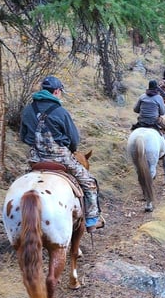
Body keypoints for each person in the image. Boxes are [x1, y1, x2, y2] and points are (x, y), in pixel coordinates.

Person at [20, 76, 104, 231]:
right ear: (57, 91)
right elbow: (74, 139)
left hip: (35, 158)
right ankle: (91, 219)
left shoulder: (28, 110)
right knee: (89, 182)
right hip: (61, 158)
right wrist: (69, 149)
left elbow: (23, 137)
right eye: (60, 92)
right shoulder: (60, 111)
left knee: (20, 184)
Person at [133, 79, 165, 153]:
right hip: (155, 120)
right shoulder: (159, 98)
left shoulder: (142, 97)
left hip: (142, 120)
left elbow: (135, 110)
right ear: (156, 88)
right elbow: (162, 112)